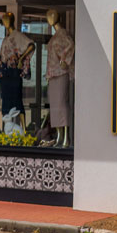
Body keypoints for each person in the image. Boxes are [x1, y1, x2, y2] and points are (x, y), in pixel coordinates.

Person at [0, 12, 34, 128]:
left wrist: (21, 58)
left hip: (13, 73)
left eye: (6, 20)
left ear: (10, 20)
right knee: (6, 102)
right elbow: (1, 58)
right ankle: (7, 128)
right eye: (3, 20)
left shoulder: (18, 35)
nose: (4, 22)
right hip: (5, 74)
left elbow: (31, 45)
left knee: (17, 100)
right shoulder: (6, 38)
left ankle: (23, 128)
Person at [44, 8, 75, 147]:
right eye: (49, 16)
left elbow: (71, 45)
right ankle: (59, 135)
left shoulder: (63, 34)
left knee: (62, 104)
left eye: (53, 15)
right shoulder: (56, 35)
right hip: (52, 75)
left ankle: (66, 137)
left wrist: (65, 60)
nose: (50, 18)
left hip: (61, 74)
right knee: (55, 106)